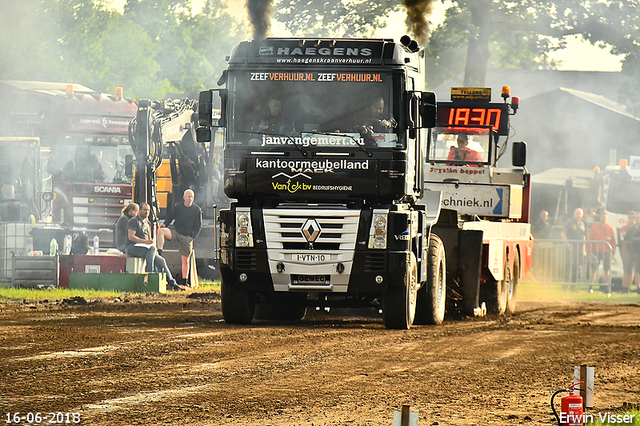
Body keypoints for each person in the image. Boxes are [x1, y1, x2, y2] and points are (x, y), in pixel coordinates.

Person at [125, 202, 180, 290]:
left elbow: (150, 239)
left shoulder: (148, 223)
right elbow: (131, 237)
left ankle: (172, 283)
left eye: (148, 210)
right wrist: (146, 242)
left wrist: (150, 242)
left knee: (161, 261)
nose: (146, 212)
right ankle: (150, 272)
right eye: (144, 210)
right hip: (133, 247)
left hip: (146, 248)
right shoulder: (134, 221)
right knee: (152, 249)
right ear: (139, 210)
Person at [157, 189, 202, 286]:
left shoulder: (197, 210)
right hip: (176, 232)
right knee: (161, 231)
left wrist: (192, 237)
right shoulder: (178, 207)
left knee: (185, 260)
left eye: (191, 197)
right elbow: (170, 217)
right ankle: (159, 251)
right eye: (188, 196)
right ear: (184, 197)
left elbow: (198, 226)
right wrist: (164, 224)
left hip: (187, 237)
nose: (190, 198)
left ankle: (184, 281)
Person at [588, 211, 616, 287]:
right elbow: (590, 240)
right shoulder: (594, 228)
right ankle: (591, 286)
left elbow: (613, 241)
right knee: (594, 270)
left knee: (606, 270)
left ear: (607, 219)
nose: (603, 218)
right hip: (596, 251)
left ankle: (606, 287)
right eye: (602, 217)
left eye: (605, 217)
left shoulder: (610, 229)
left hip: (607, 252)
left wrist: (613, 253)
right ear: (599, 218)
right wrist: (590, 252)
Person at [561, 208, 587, 285]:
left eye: (580, 214)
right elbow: (563, 233)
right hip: (570, 248)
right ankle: (565, 285)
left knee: (576, 267)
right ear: (574, 214)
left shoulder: (582, 225)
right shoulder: (569, 223)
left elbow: (584, 237)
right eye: (577, 213)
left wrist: (584, 249)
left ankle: (573, 286)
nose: (579, 215)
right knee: (568, 266)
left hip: (578, 249)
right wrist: (567, 243)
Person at [620, 211, 640, 293]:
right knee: (628, 270)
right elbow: (626, 237)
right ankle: (625, 288)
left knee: (638, 270)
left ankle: (639, 287)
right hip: (630, 251)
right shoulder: (631, 228)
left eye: (638, 218)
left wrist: (633, 240)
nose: (636, 220)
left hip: (638, 252)